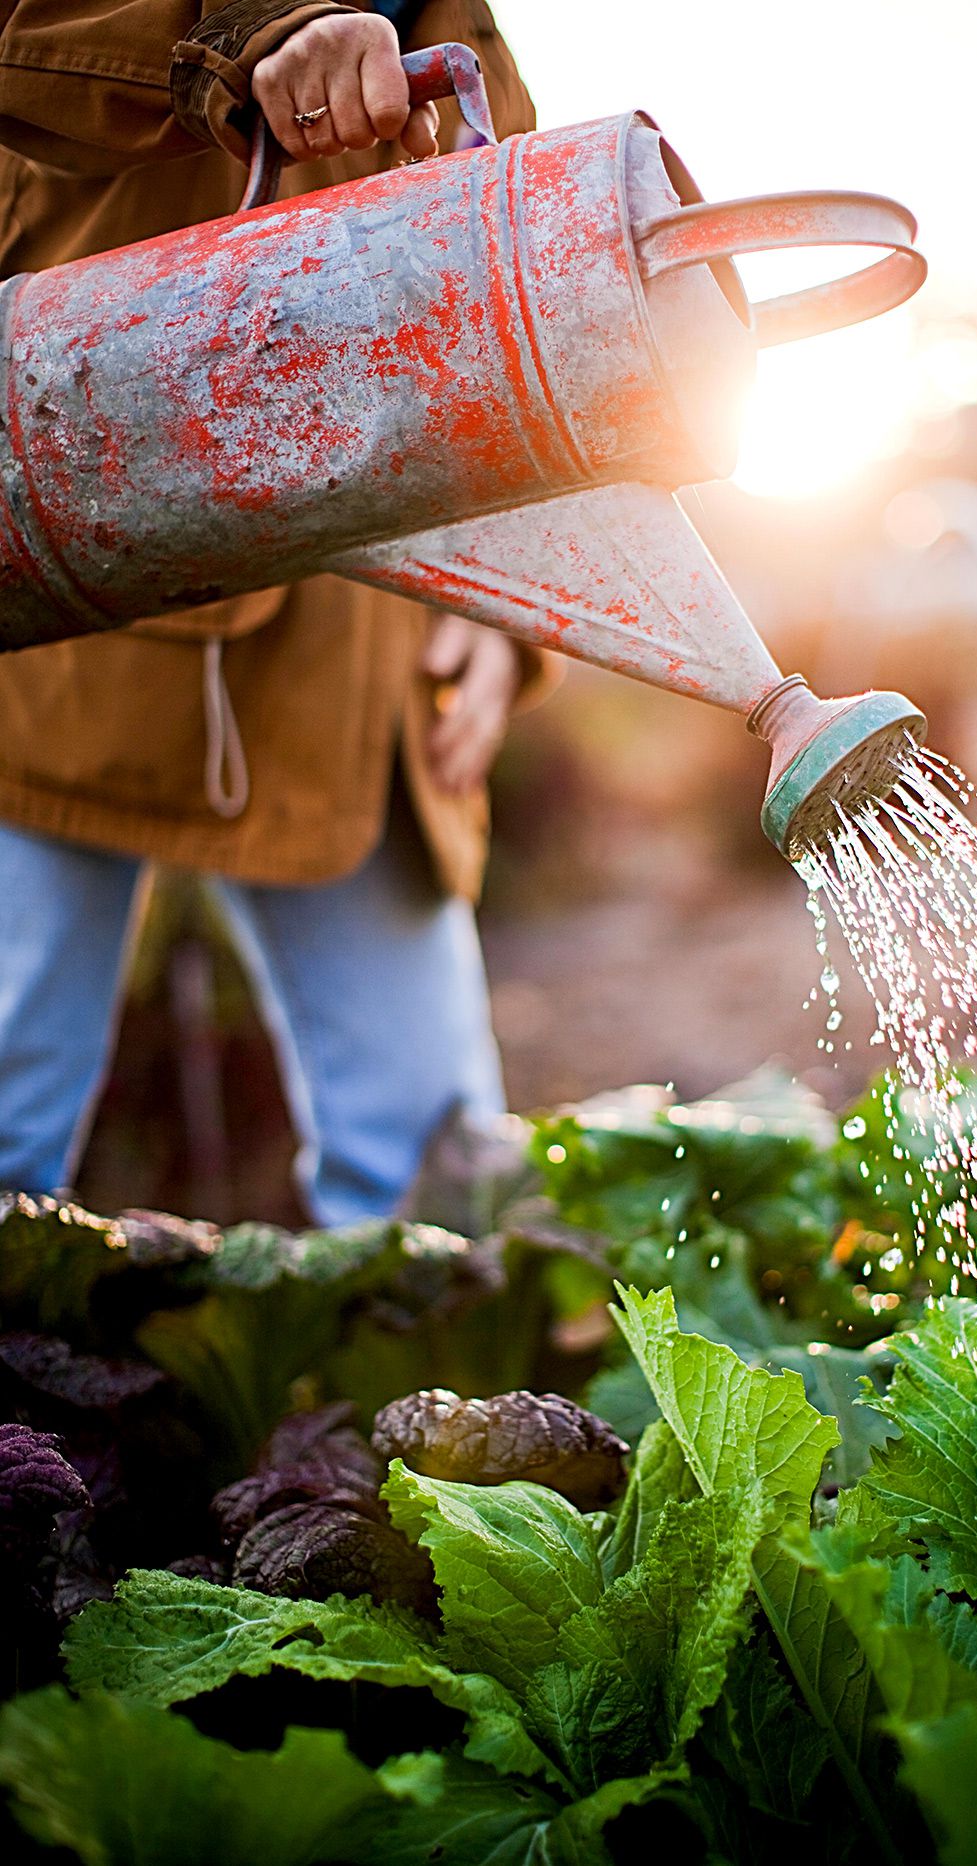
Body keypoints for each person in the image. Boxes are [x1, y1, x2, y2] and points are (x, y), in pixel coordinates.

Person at [0, 2, 546, 1225]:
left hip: (362, 647)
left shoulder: (455, 16)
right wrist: (251, 39)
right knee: (2, 1118)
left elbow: (515, 300)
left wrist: (509, 604)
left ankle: (420, 1420)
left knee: (430, 1175)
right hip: (73, 583)